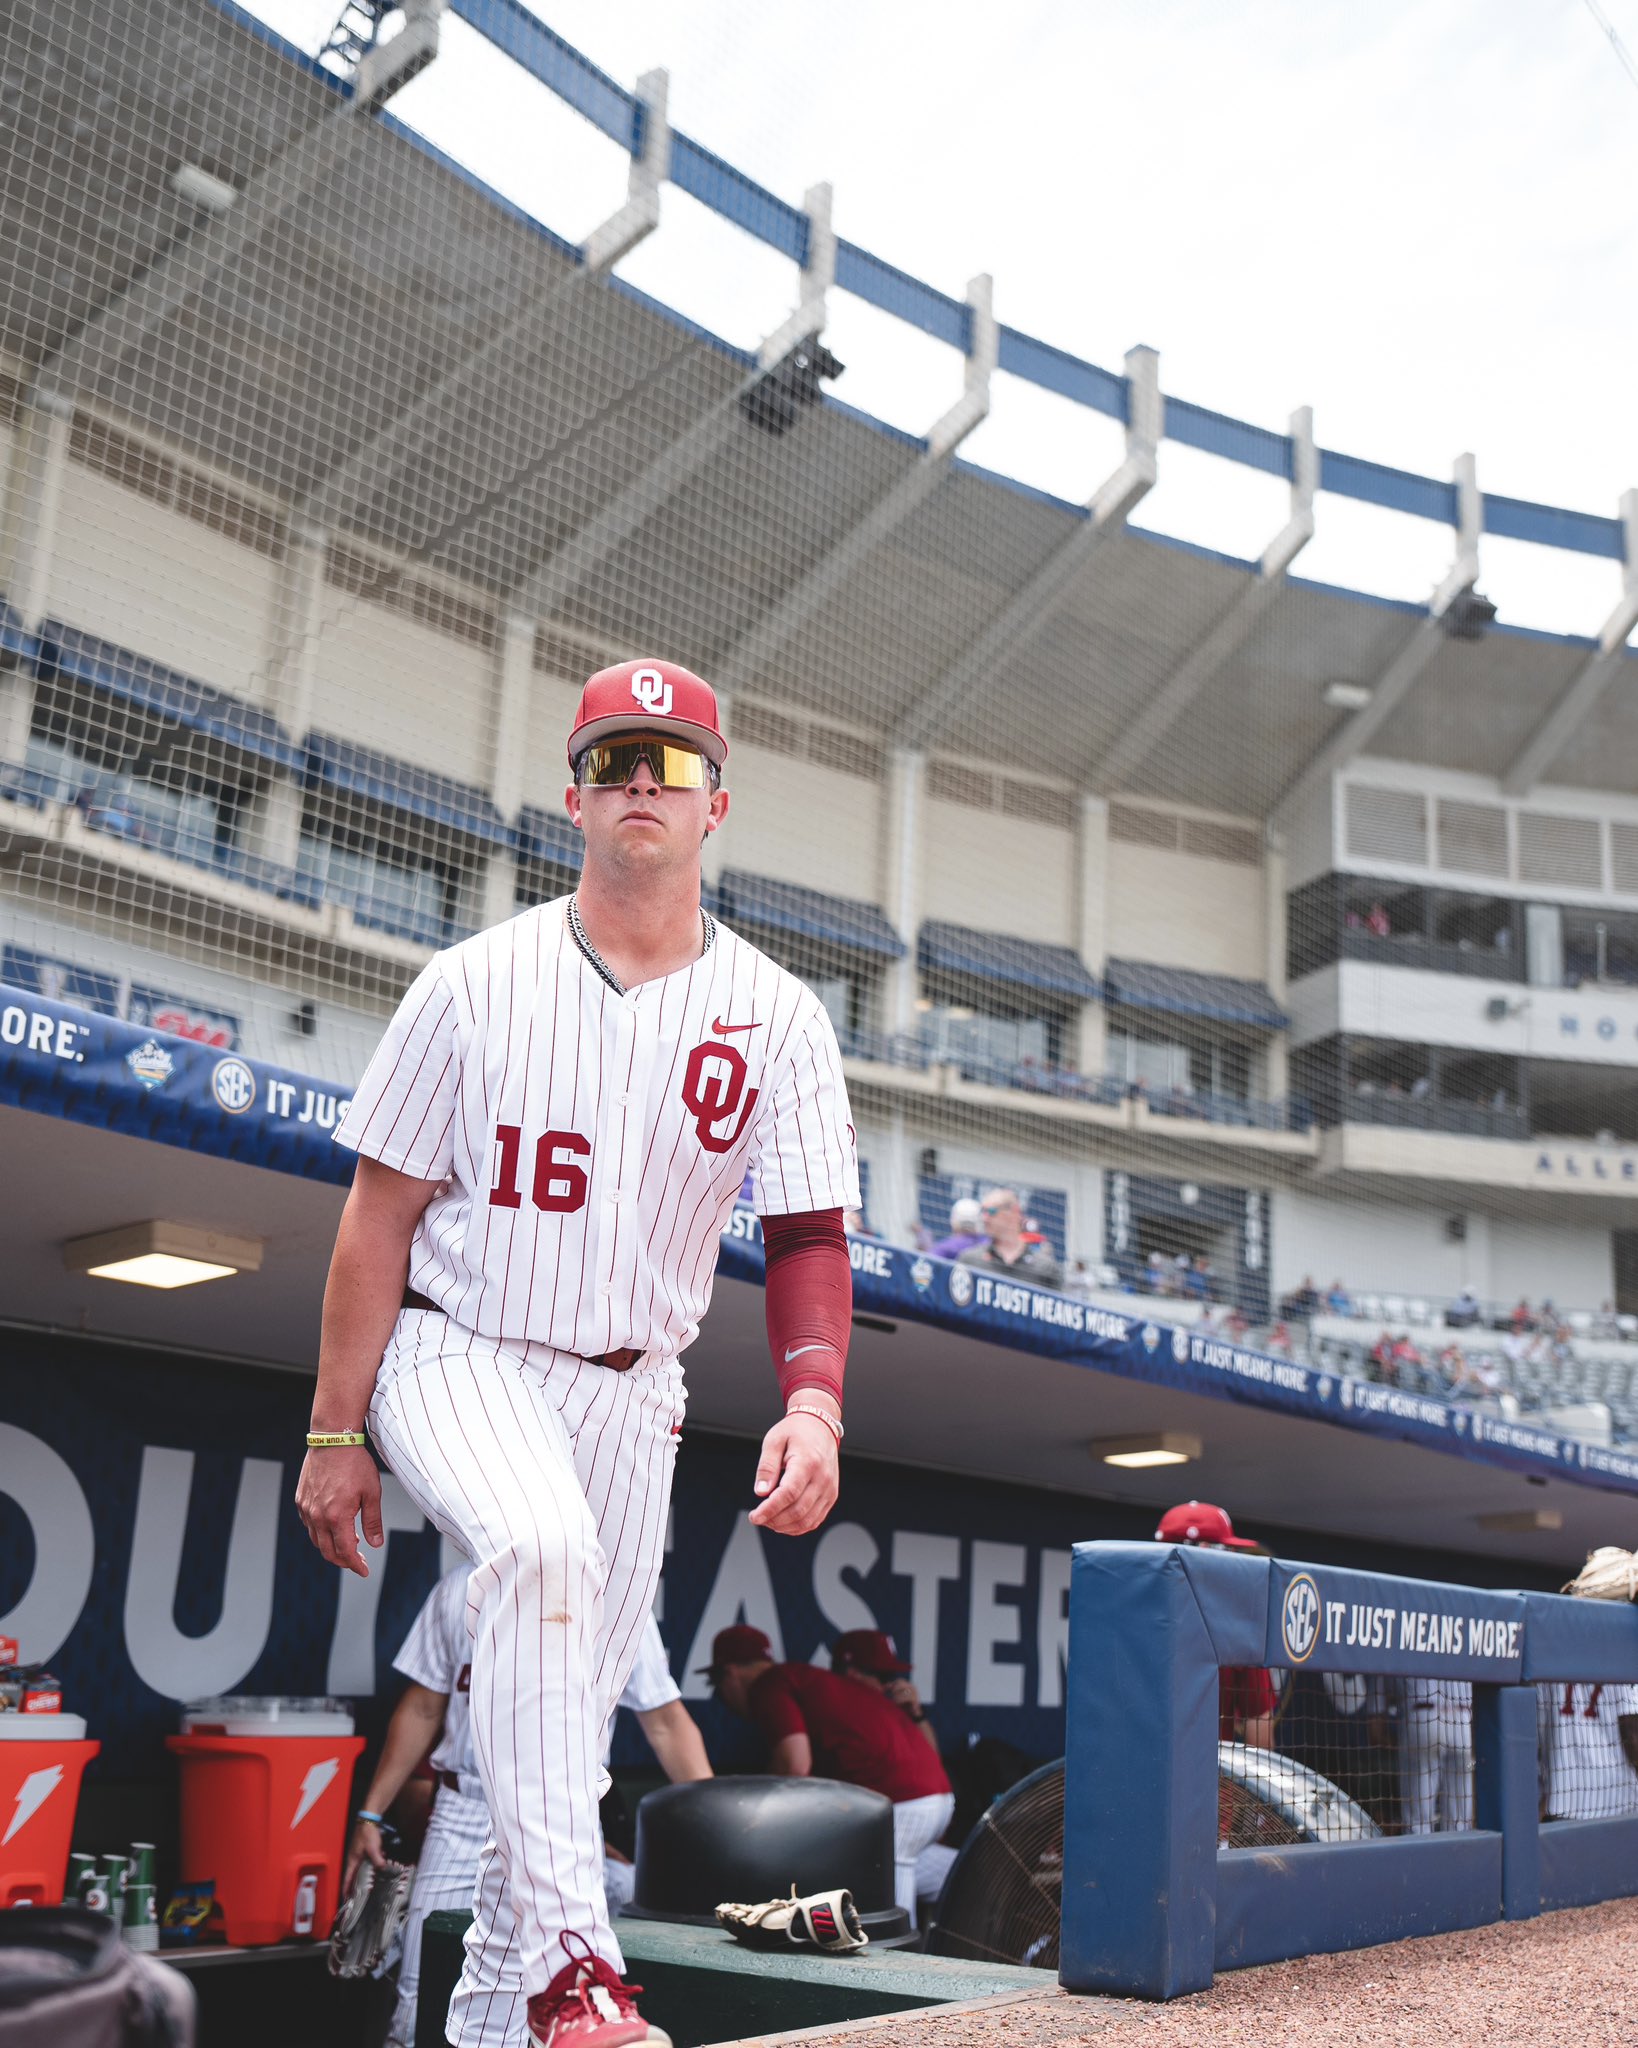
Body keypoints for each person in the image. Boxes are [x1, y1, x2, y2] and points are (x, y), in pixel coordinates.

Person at [296, 658, 860, 2048]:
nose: (642, 781)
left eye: (672, 762)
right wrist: (334, 1429)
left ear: (716, 802)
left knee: (536, 1769)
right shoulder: (468, 980)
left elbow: (806, 1235)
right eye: (615, 759)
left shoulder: (779, 1015)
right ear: (574, 797)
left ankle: (511, 2017)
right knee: (539, 1552)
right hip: (462, 1346)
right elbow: (376, 1219)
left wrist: (815, 1403)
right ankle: (573, 1969)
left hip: (634, 1393)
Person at [345, 1571, 710, 2048]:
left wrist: (718, 1837)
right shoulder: (461, 1586)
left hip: (562, 1816)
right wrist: (371, 1814)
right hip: (464, 1809)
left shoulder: (612, 1590)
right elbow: (422, 1707)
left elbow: (665, 1722)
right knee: (419, 1994)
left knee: (553, 1997)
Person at [704, 1625, 953, 1919]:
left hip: (901, 1805)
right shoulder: (816, 1683)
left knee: (889, 1914)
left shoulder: (770, 1683)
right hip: (939, 1802)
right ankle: (987, 1885)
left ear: (730, 1673)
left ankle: (906, 1950)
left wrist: (755, 1818)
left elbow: (795, 1766)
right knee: (938, 1874)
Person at [829, 1629, 956, 1913]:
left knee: (973, 1877)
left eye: (892, 1677)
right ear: (852, 1673)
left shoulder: (889, 1711)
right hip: (854, 1838)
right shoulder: (839, 1707)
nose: (889, 1685)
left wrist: (915, 1714)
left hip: (898, 1835)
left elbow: (934, 1758)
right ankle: (902, 1943)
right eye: (882, 1676)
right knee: (894, 1865)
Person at [1153, 1503, 1275, 1750]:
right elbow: (1261, 1742)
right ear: (1206, 1553)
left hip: (1131, 1769)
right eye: (1228, 1551)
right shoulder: (1238, 1629)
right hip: (1207, 1772)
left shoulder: (1128, 1616)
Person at [1396, 1678, 1473, 1834]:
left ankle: (1417, 1846)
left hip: (1423, 1716)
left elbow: (1393, 1683)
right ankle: (1459, 1848)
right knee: (1460, 1821)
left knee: (1418, 1820)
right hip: (1462, 1720)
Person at [957, 1188, 1062, 1290]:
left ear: (1014, 1211)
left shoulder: (1044, 1267)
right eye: (983, 1212)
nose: (985, 1218)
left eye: (991, 1211)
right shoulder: (971, 1260)